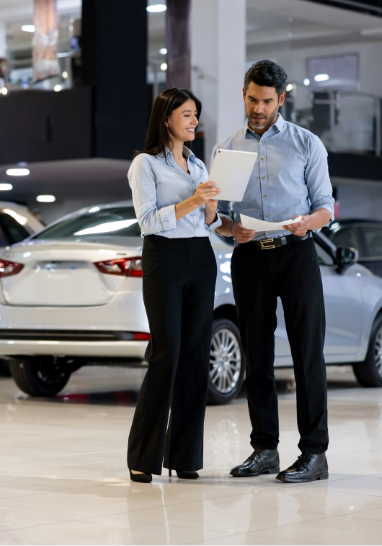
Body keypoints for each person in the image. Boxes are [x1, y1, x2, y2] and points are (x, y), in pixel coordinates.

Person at [214, 60, 335, 483]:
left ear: (281, 99)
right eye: (252, 99)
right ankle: (264, 448)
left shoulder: (306, 144)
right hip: (250, 256)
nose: (258, 108)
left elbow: (326, 207)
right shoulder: (228, 148)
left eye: (266, 101)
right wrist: (233, 231)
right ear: (244, 95)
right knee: (257, 354)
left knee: (307, 354)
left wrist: (308, 222)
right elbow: (219, 216)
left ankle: (314, 454)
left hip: (297, 252)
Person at [127, 88, 221, 482]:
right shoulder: (145, 164)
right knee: (166, 353)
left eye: (196, 114)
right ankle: (142, 458)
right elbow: (148, 221)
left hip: (201, 258)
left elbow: (209, 222)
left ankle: (184, 457)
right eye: (186, 114)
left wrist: (212, 204)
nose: (194, 121)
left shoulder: (199, 167)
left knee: (196, 358)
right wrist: (194, 202)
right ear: (166, 118)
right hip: (163, 258)